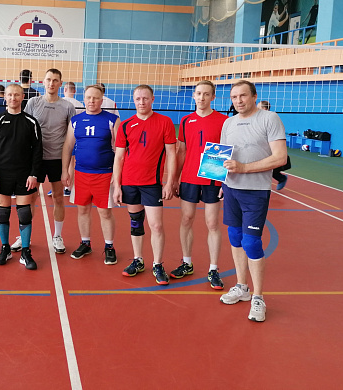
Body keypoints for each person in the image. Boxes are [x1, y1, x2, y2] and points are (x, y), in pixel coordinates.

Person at [219, 80, 287, 323]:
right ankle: (242, 287)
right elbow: (222, 156)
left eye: (243, 95)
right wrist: (220, 180)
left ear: (254, 96)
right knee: (235, 238)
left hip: (255, 192)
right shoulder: (228, 123)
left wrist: (244, 168)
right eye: (234, 97)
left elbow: (280, 157)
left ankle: (258, 297)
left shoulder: (269, 118)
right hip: (231, 189)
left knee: (251, 243)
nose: (238, 100)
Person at [113, 85, 177, 285]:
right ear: (133, 100)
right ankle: (138, 260)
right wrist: (117, 186)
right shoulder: (126, 125)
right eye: (138, 99)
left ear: (152, 99)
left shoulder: (165, 122)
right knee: (136, 222)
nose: (141, 102)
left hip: (152, 183)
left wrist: (169, 182)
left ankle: (157, 264)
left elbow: (172, 154)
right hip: (130, 182)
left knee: (156, 225)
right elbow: (119, 158)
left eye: (145, 98)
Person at [169, 81, 228, 289]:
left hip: (212, 178)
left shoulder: (224, 121)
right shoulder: (186, 121)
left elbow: (227, 152)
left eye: (206, 94)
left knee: (212, 224)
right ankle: (186, 263)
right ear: (193, 96)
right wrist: (175, 178)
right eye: (198, 93)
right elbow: (182, 151)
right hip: (189, 178)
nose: (201, 98)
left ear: (213, 97)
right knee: (186, 219)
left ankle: (214, 269)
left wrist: (224, 181)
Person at [11, 69, 76, 254]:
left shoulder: (67, 106)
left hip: (57, 158)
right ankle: (24, 237)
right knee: (30, 198)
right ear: (43, 82)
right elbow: (24, 128)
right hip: (35, 159)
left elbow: (71, 137)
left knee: (58, 197)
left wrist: (68, 168)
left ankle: (58, 236)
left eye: (55, 80)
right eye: (48, 80)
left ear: (60, 83)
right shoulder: (33, 102)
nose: (51, 83)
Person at [61, 84, 120, 264]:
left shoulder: (112, 120)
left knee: (105, 212)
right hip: (81, 173)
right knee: (83, 209)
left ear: (102, 100)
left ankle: (109, 247)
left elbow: (120, 150)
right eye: (88, 98)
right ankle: (85, 243)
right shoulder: (76, 120)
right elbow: (68, 146)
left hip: (104, 173)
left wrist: (117, 175)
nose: (91, 101)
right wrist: (65, 171)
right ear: (84, 99)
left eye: (95, 98)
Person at [0, 84, 43, 270]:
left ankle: (25, 251)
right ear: (5, 97)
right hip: (2, 174)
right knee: (2, 212)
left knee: (24, 212)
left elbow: (38, 151)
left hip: (24, 175)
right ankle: (5, 249)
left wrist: (34, 174)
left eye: (16, 95)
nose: (13, 98)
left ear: (22, 96)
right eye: (10, 95)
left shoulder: (31, 122)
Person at [258, 100, 290, 190]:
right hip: (262, 147)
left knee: (268, 167)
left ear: (264, 109)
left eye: (258, 107)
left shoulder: (272, 119)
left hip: (271, 148)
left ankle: (281, 178)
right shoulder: (259, 119)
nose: (256, 109)